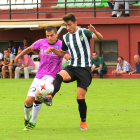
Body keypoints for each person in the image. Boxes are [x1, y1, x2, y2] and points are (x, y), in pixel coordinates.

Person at [36, 13, 103, 130]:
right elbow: (63, 53)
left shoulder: (84, 32)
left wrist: (95, 31)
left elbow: (100, 38)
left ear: (75, 23)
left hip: (84, 69)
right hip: (72, 67)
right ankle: (50, 97)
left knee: (80, 98)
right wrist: (53, 49)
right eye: (66, 25)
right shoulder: (66, 37)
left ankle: (83, 122)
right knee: (59, 75)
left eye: (69, 25)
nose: (67, 27)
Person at [14, 26, 63, 130]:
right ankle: (27, 118)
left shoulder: (61, 44)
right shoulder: (41, 42)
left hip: (51, 76)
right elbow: (29, 49)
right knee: (28, 101)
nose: (49, 38)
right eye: (47, 36)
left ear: (56, 34)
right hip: (39, 75)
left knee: (38, 95)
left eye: (52, 35)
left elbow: (66, 54)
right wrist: (18, 57)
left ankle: (33, 121)